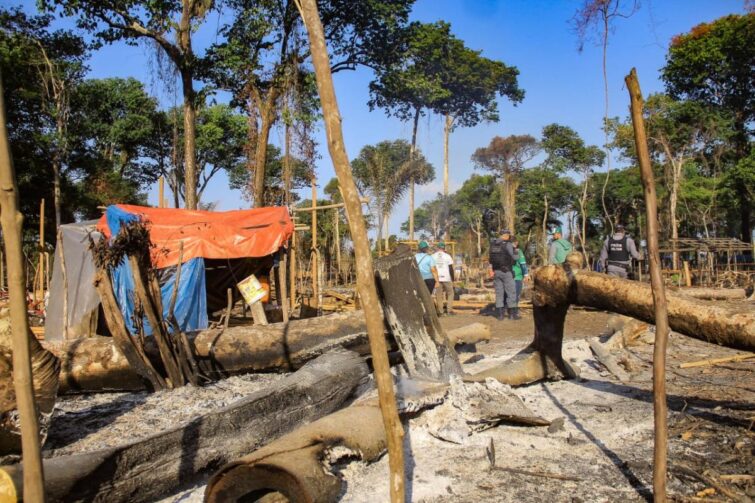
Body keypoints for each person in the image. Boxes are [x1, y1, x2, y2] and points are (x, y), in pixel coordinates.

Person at [489, 229, 518, 321]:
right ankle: (512, 315)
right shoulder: (508, 244)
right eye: (508, 235)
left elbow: (490, 259)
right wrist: (516, 250)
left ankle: (500, 315)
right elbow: (515, 257)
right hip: (506, 272)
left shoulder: (493, 244)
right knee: (511, 292)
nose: (509, 236)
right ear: (505, 235)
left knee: (499, 293)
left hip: (496, 272)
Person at [432, 241, 455, 315]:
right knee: (450, 293)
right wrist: (453, 278)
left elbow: (431, 268)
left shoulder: (433, 256)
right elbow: (450, 268)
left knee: (439, 295)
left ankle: (440, 312)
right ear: (444, 248)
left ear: (437, 248)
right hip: (446, 278)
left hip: (437, 278)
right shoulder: (447, 256)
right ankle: (449, 310)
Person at [510, 238, 528, 319]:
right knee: (516, 295)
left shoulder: (505, 251)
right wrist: (526, 274)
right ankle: (514, 314)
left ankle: (510, 313)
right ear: (516, 242)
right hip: (517, 276)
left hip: (507, 276)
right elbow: (523, 263)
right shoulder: (518, 251)